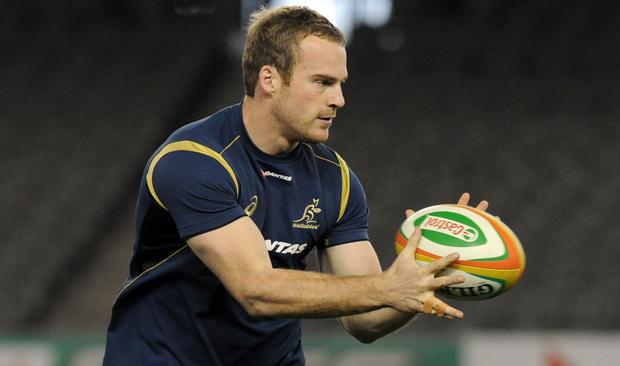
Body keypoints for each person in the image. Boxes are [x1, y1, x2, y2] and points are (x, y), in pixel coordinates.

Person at [103, 5, 490, 365]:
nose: (338, 99)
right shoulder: (195, 160)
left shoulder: (335, 180)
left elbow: (366, 319)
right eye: (322, 82)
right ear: (269, 78)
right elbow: (255, 289)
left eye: (340, 83)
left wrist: (428, 274)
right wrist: (388, 287)